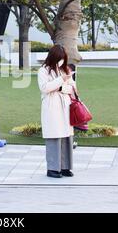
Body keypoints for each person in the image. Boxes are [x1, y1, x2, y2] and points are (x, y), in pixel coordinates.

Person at [37, 44, 77, 178]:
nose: (61, 61)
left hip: (65, 106)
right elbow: (45, 88)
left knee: (66, 136)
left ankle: (65, 167)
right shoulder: (43, 71)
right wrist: (61, 82)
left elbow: (72, 88)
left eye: (63, 58)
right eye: (59, 58)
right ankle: (53, 168)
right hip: (52, 107)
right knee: (54, 136)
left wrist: (61, 87)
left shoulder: (65, 69)